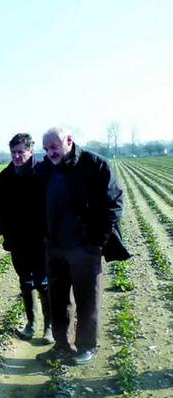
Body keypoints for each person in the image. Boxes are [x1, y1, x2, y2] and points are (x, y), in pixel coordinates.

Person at [36, 127, 128, 365]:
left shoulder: (95, 165)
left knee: (87, 299)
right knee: (57, 299)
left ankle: (87, 346)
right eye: (46, 149)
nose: (50, 153)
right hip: (55, 246)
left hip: (84, 247)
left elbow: (114, 204)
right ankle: (62, 344)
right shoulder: (44, 169)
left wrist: (96, 241)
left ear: (69, 141)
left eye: (54, 147)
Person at [0, 133, 53, 343]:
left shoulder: (43, 174)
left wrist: (49, 235)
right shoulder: (4, 179)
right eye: (14, 152)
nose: (17, 156)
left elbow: (53, 206)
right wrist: (4, 232)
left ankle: (49, 327)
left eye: (21, 152)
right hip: (18, 241)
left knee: (44, 282)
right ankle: (31, 323)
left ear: (30, 150)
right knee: (25, 282)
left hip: (42, 241)